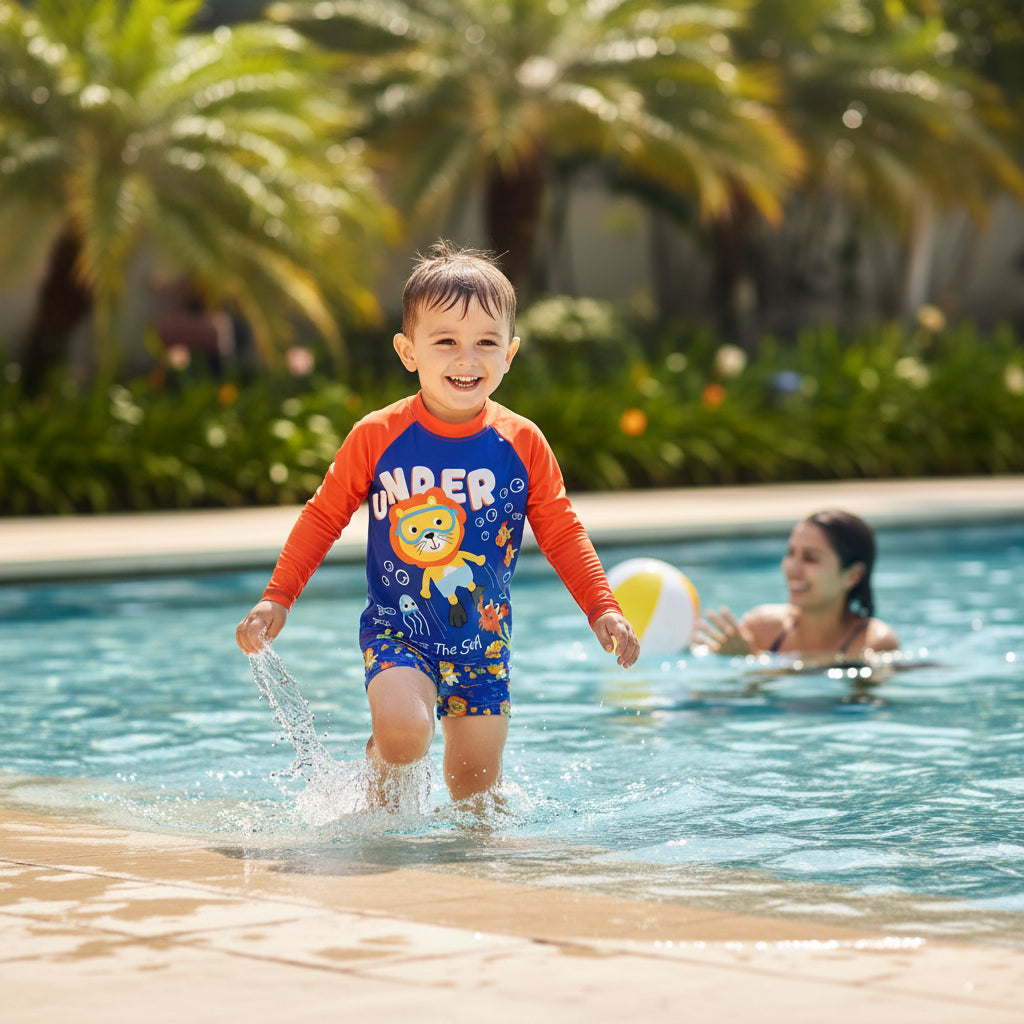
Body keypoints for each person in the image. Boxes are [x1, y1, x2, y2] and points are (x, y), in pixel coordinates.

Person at [236, 240, 639, 805]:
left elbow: (562, 532)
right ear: (408, 351)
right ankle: (378, 772)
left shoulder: (522, 443)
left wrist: (603, 606)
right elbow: (324, 516)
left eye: (485, 343)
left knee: (473, 782)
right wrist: (279, 595)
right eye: (445, 341)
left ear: (510, 354)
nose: (465, 359)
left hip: (484, 638)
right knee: (405, 737)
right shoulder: (377, 436)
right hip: (399, 629)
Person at [694, 510, 899, 659]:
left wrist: (752, 660)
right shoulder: (761, 628)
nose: (792, 568)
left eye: (810, 558)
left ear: (852, 575)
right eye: (791, 554)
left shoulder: (871, 642)